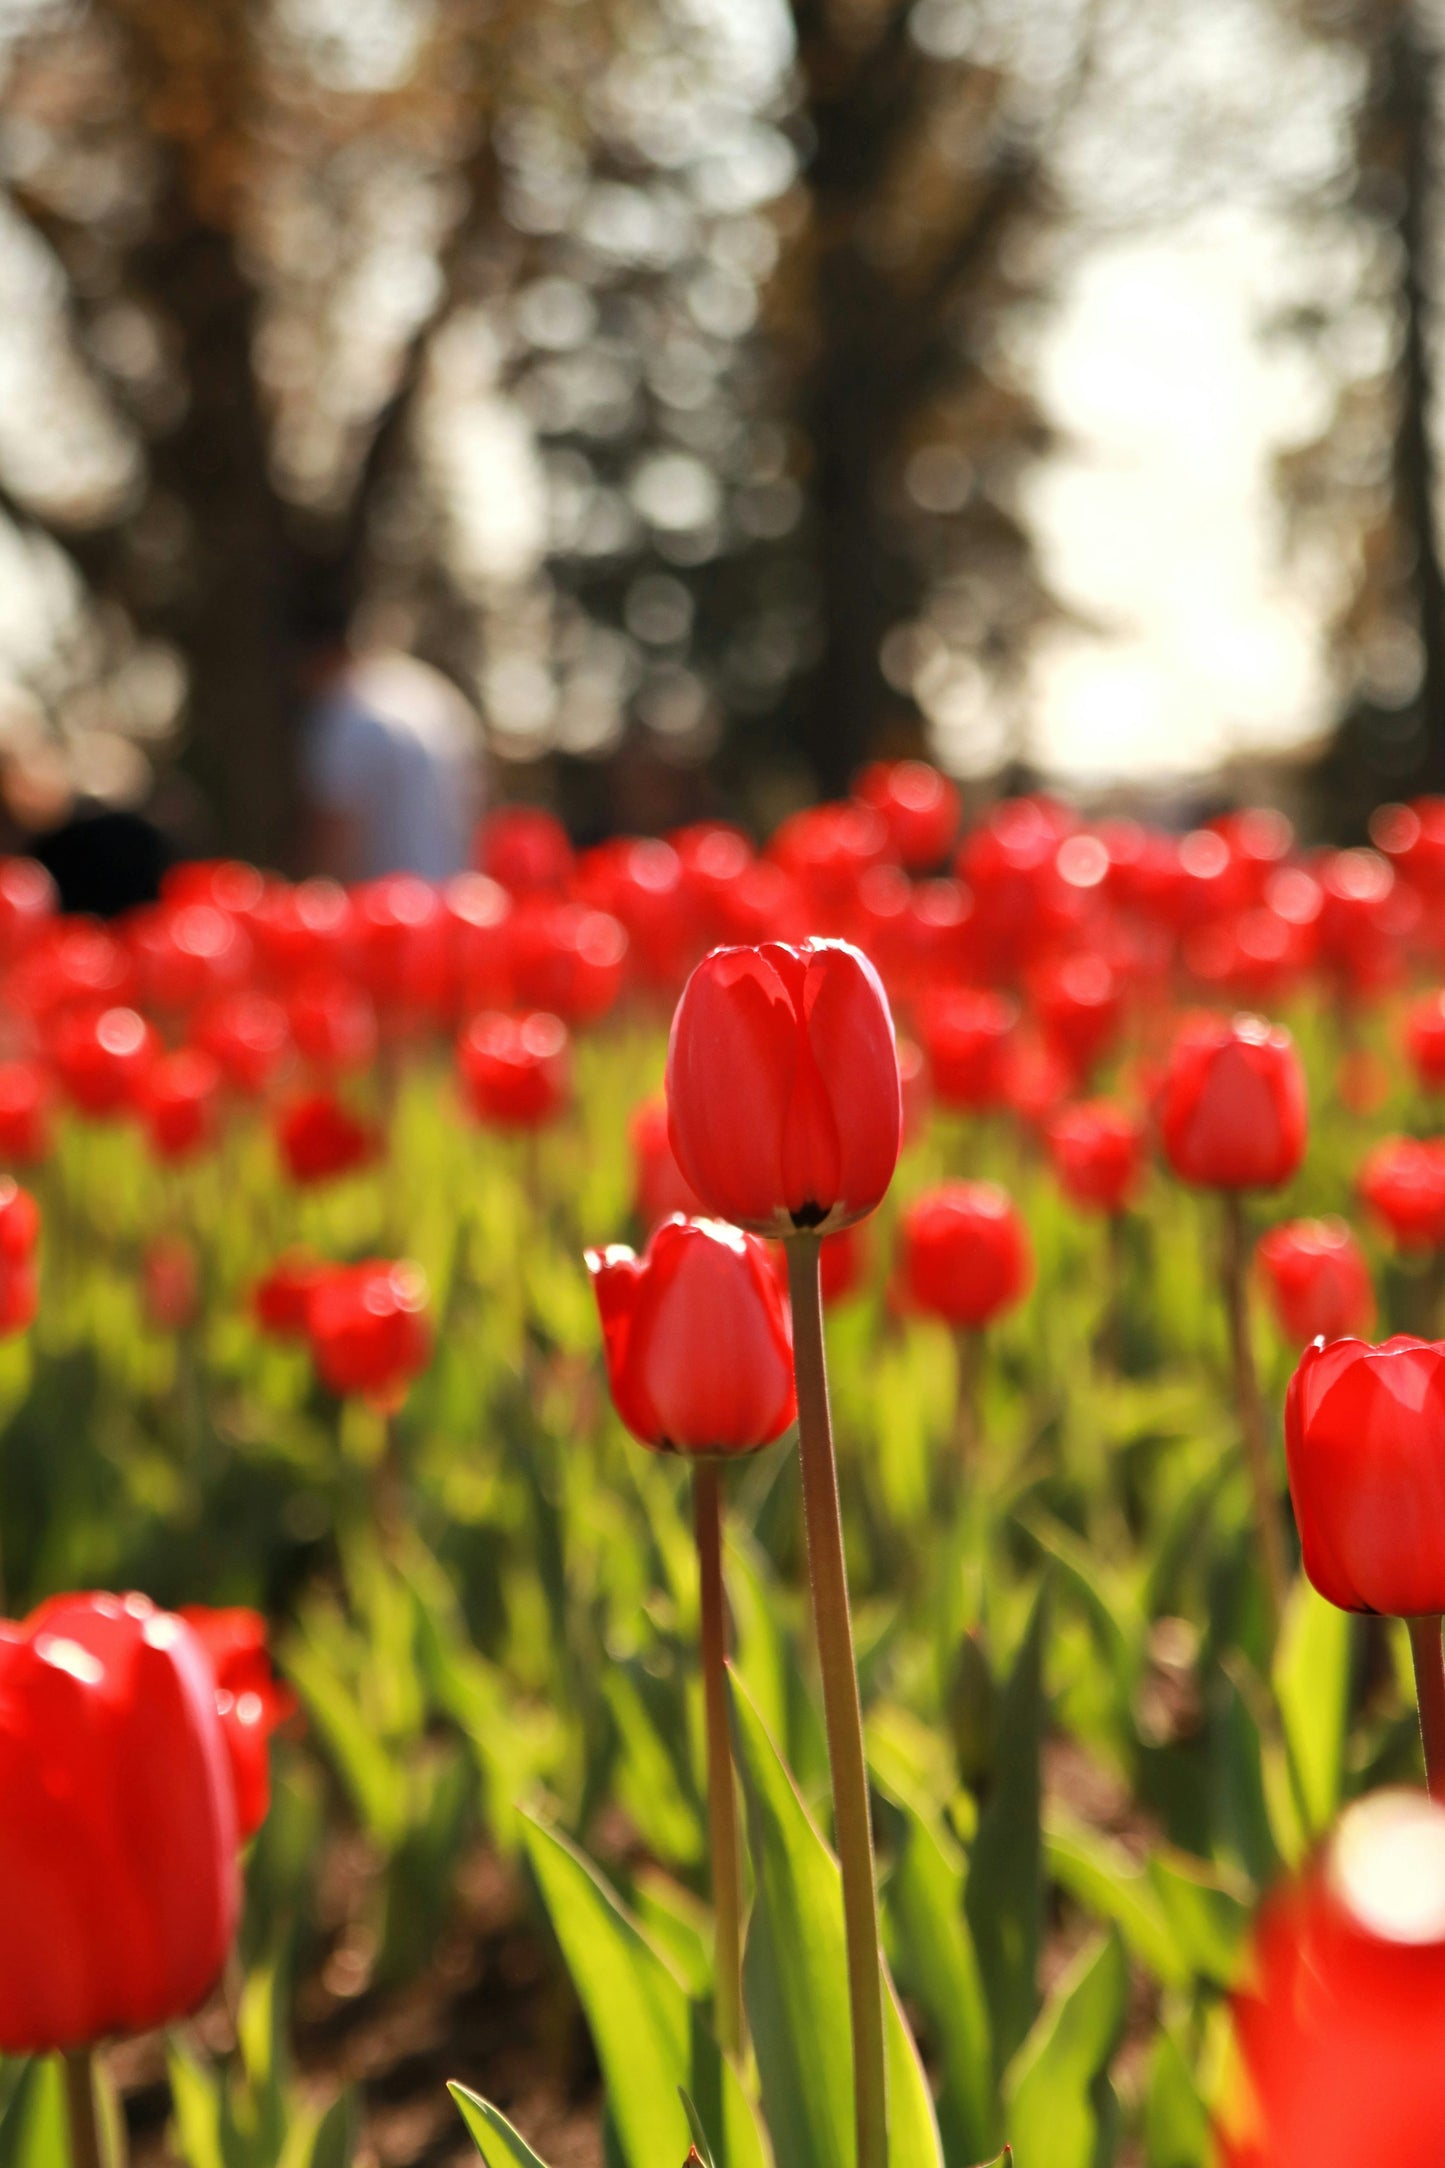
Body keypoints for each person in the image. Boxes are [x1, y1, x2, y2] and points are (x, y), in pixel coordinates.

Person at [299, 615, 485, 884]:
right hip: (456, 901)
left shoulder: (346, 709)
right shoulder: (430, 690)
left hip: (380, 910)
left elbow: (335, 836)